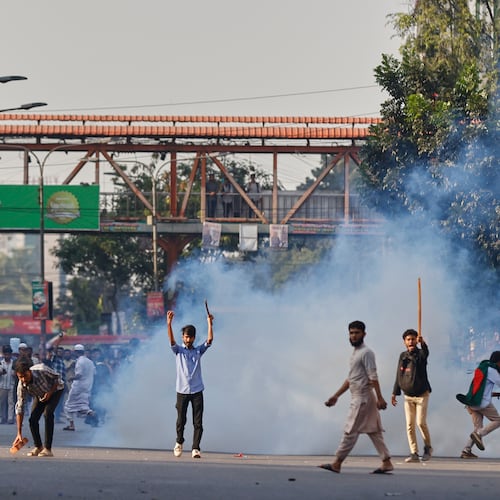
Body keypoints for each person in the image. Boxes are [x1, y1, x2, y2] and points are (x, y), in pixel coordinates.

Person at [319, 320, 393, 474]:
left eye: (357, 332)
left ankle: (337, 462)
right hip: (360, 396)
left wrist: (380, 397)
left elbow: (373, 376)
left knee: (350, 429)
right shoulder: (356, 353)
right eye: (351, 333)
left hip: (363, 397)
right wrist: (336, 396)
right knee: (374, 430)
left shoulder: (367, 353)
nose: (353, 336)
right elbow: (351, 378)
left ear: (364, 334)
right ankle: (386, 461)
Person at [166, 308, 214, 459]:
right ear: (183, 337)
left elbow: (209, 341)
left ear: (194, 338)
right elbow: (171, 341)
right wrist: (169, 324)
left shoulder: (198, 351)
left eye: (191, 337)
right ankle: (179, 442)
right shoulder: (178, 350)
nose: (188, 340)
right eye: (186, 337)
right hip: (182, 391)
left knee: (198, 421)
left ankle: (195, 448)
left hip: (197, 390)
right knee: (181, 420)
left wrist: (209, 323)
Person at [391, 328, 432, 462]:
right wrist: (394, 393)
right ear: (404, 342)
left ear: (416, 340)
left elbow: (425, 354)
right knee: (409, 425)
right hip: (407, 396)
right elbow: (399, 375)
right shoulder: (402, 356)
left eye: (413, 339)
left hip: (422, 395)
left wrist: (423, 343)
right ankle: (414, 452)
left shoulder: (420, 354)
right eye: (408, 339)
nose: (411, 341)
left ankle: (427, 448)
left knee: (420, 423)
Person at [12, 358, 64, 457]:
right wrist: (19, 433)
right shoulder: (21, 385)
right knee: (33, 419)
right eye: (20, 377)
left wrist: (50, 392)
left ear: (29, 371)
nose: (23, 379)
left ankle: (48, 449)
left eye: (25, 376)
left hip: (55, 390)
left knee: (48, 413)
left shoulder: (42, 370)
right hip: (40, 394)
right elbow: (20, 407)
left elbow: (57, 378)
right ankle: (38, 447)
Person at [457, 351, 500, 459]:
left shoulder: (482, 368)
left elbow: (481, 388)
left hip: (471, 402)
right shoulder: (492, 370)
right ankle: (480, 434)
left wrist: (494, 394)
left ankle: (466, 450)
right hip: (481, 403)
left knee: (477, 428)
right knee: (498, 421)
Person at [63, 344, 96, 431]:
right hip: (87, 387)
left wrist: (71, 378)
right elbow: (94, 372)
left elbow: (79, 375)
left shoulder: (80, 362)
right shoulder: (89, 361)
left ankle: (71, 425)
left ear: (75, 352)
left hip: (78, 387)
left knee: (68, 406)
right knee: (82, 405)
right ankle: (93, 414)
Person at [0, 345, 15, 424]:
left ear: (10, 354)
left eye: (8, 354)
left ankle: (10, 418)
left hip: (11, 385)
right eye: (5, 354)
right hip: (2, 385)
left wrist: (15, 374)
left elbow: (17, 374)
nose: (7, 356)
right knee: (2, 403)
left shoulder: (14, 363)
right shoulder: (1, 363)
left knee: (11, 403)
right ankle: (3, 417)